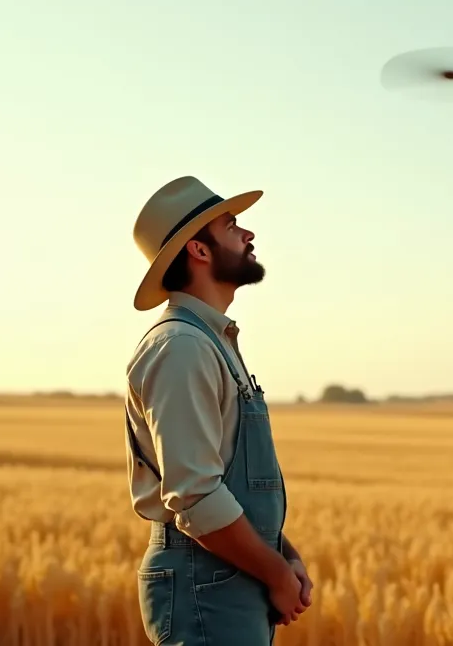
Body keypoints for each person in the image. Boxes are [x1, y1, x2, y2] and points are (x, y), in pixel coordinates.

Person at [124, 175, 311, 645]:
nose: (248, 235)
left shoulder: (208, 340)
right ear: (199, 250)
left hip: (226, 572)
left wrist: (282, 554)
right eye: (232, 226)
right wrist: (274, 573)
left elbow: (222, 481)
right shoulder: (182, 347)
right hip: (204, 579)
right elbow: (195, 497)